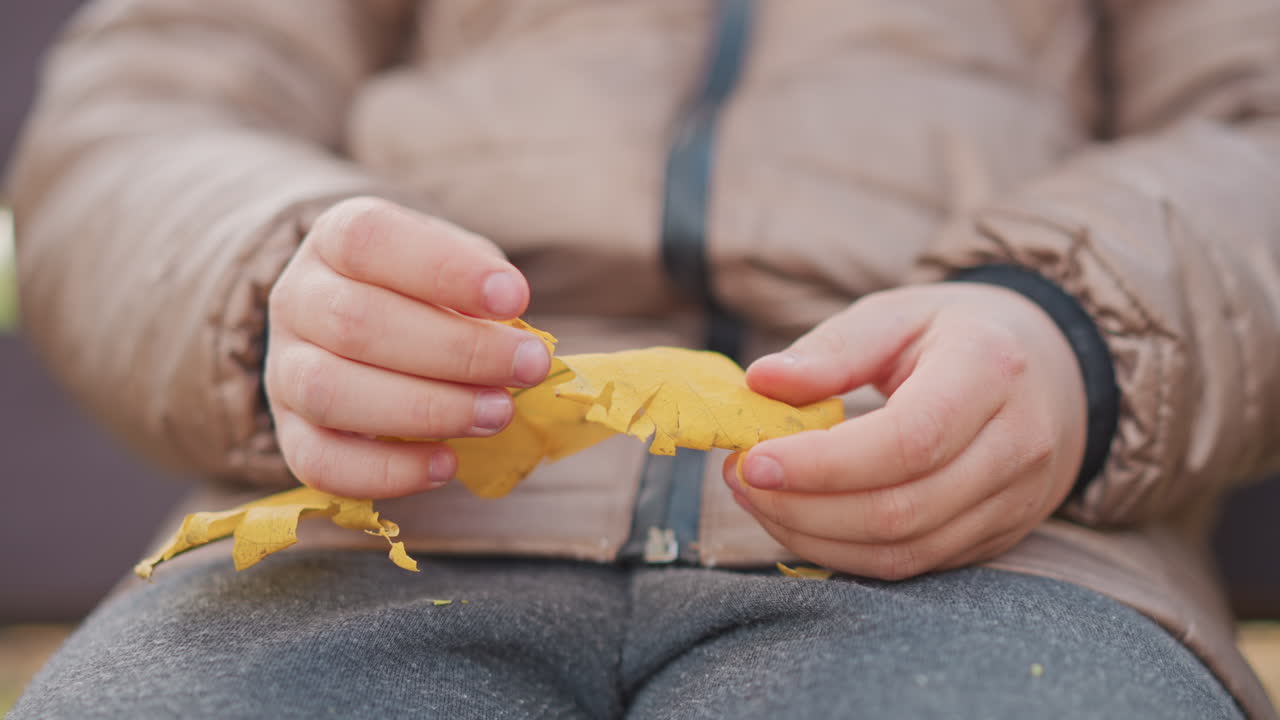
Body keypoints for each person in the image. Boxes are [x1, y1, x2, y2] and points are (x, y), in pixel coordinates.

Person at [7, 0, 1280, 717]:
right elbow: (148, 113)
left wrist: (1073, 330)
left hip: (991, 540)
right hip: (380, 514)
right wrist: (273, 278)